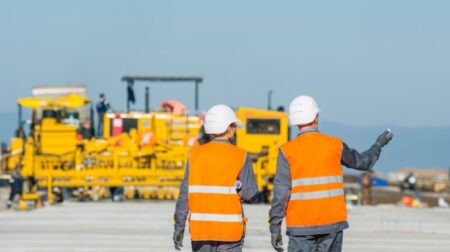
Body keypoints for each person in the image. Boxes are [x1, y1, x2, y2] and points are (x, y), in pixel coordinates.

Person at [269, 95, 393, 252]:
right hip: (331, 224)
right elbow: (362, 162)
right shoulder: (335, 145)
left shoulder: (287, 151)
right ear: (316, 117)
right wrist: (378, 145)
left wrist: (275, 227)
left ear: (295, 121)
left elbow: (280, 193)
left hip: (300, 226)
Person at [173, 104, 258, 252]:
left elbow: (184, 196)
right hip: (230, 233)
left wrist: (179, 227)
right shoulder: (241, 155)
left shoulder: (194, 155)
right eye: (234, 125)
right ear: (229, 128)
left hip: (201, 232)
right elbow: (250, 194)